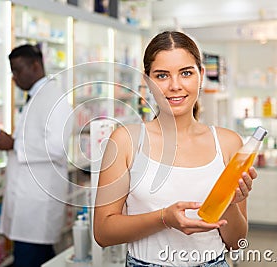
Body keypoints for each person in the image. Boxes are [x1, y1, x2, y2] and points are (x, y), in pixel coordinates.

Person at [93, 31, 257, 266]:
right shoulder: (126, 141)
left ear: (201, 76)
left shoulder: (229, 143)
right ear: (147, 81)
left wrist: (228, 203)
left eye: (186, 73)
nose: (175, 86)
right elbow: (103, 232)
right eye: (161, 75)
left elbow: (236, 242)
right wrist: (164, 218)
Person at [0, 44, 72, 267]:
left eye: (18, 70)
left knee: (30, 258)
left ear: (36, 66)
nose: (15, 78)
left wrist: (15, 144)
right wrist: (13, 143)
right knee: (40, 257)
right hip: (29, 199)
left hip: (38, 203)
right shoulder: (37, 96)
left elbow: (56, 147)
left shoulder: (54, 98)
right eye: (12, 72)